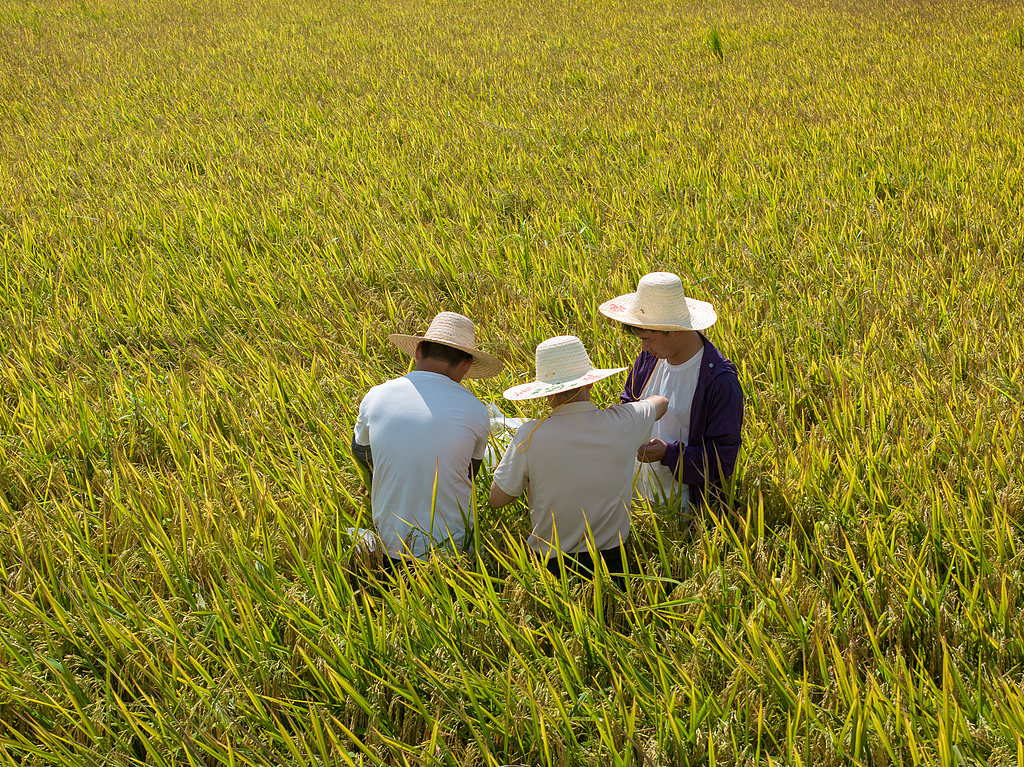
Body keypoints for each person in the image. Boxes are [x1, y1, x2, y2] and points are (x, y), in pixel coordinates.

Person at [488, 336, 668, 585]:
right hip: (614, 566)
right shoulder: (624, 422)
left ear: (545, 394)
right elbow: (661, 402)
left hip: (551, 570)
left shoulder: (530, 434)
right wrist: (626, 413)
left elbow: (497, 499)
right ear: (591, 384)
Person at [352, 311, 503, 571]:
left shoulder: (376, 396)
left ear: (418, 350)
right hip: (453, 554)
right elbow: (469, 474)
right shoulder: (476, 409)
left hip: (389, 549)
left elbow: (362, 454)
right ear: (466, 365)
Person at [598, 272, 743, 514]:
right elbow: (628, 406)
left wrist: (669, 453)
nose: (643, 347)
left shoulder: (718, 381)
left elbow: (724, 458)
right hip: (633, 503)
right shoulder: (648, 359)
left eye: (648, 339)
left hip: (681, 513)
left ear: (675, 330)